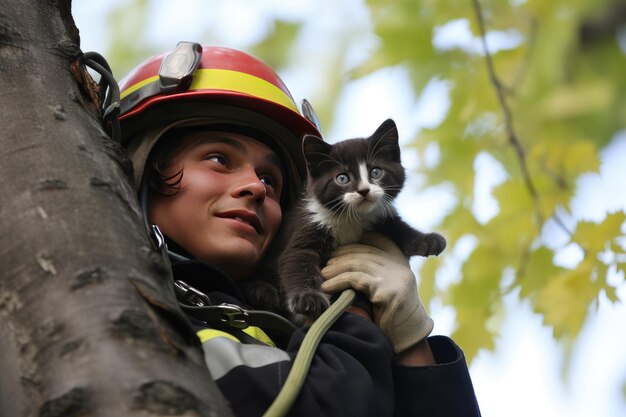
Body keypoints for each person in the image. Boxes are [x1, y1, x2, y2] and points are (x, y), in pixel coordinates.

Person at [117, 42, 481, 417]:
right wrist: (353, 309)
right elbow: (332, 406)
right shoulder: (129, 317)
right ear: (138, 172)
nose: (256, 187)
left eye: (270, 179)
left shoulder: (271, 333)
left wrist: (410, 340)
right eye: (219, 158)